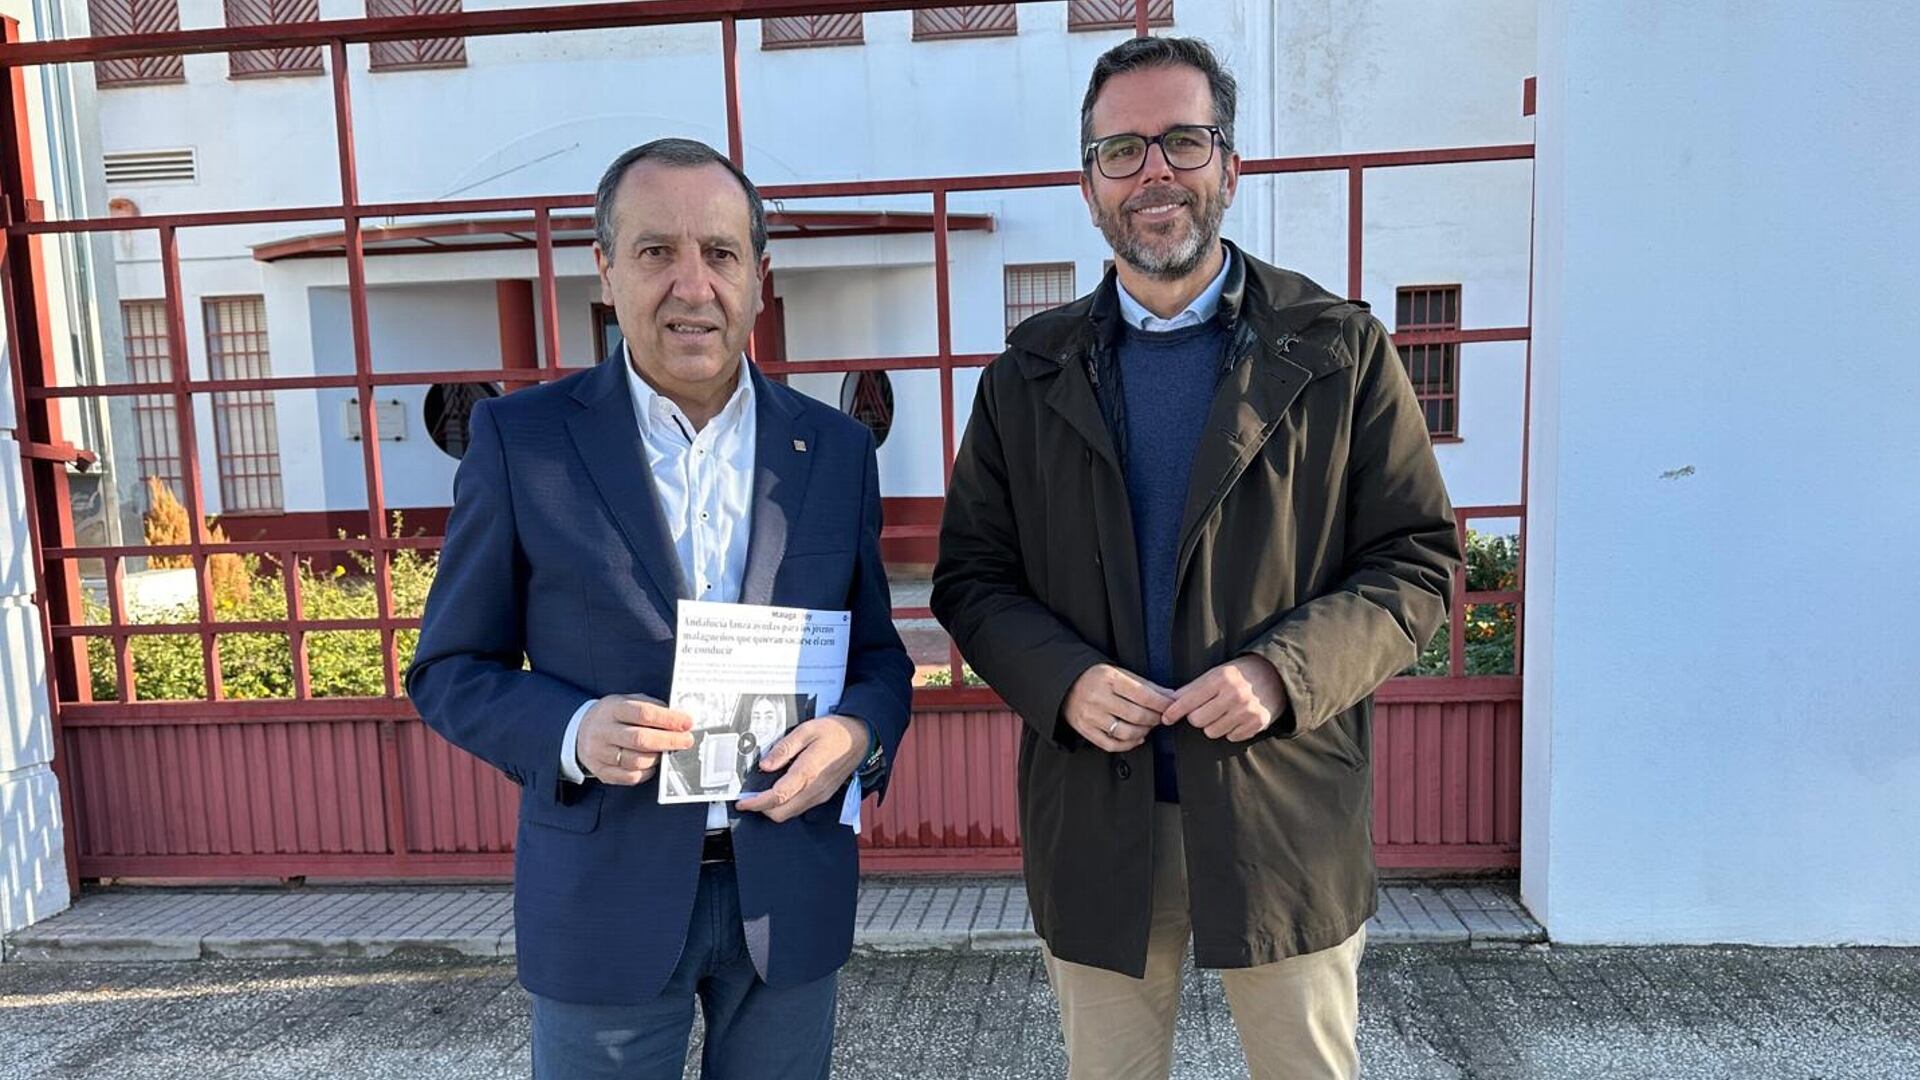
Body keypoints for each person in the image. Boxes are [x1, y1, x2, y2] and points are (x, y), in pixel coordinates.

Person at [930, 37, 1460, 1080]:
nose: (1153, 173)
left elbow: (1415, 564)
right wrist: (1064, 679)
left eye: (1182, 140)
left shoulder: (1337, 351)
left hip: (1283, 810)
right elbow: (972, 578)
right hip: (1096, 813)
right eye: (1120, 151)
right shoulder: (1023, 378)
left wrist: (1282, 673)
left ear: (1230, 165)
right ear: (1088, 190)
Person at [408, 137, 912, 1079]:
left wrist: (855, 740)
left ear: (759, 277)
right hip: (603, 898)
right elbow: (447, 669)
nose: (692, 286)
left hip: (787, 890)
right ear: (604, 270)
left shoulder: (835, 452)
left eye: (719, 254)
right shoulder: (523, 443)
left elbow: (879, 661)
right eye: (655, 253)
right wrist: (571, 730)